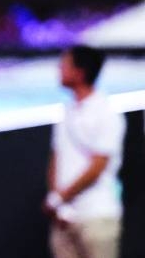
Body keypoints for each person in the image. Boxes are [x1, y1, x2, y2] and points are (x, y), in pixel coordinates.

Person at [43, 45, 125, 258]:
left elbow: (98, 166)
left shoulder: (106, 113)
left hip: (97, 215)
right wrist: (58, 203)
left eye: (64, 65)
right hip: (64, 217)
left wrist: (59, 198)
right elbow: (57, 157)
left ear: (80, 72)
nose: (59, 69)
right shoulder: (67, 111)